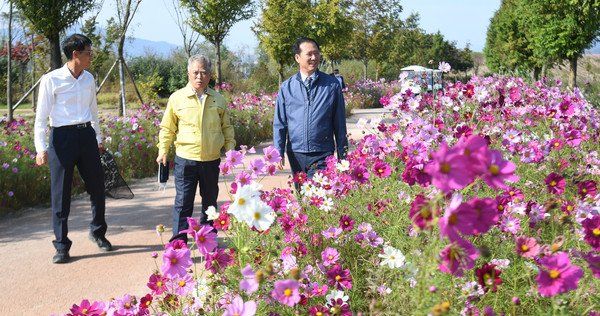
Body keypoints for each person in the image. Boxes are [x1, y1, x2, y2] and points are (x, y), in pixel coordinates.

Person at [34, 34, 112, 264]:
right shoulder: (51, 80)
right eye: (88, 53)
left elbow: (94, 111)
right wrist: (41, 148)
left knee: (97, 187)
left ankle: (98, 233)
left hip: (86, 135)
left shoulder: (89, 79)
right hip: (62, 138)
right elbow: (40, 118)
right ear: (75, 54)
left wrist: (97, 138)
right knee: (61, 194)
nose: (91, 57)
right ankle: (61, 246)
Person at [156, 54, 235, 244]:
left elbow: (227, 128)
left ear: (210, 75)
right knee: (183, 203)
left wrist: (231, 151)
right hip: (186, 160)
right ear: (188, 74)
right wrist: (163, 151)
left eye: (204, 72)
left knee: (210, 203)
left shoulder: (218, 99)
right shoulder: (177, 98)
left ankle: (208, 239)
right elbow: (167, 128)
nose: (199, 76)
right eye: (195, 72)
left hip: (211, 160)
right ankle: (179, 242)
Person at [273, 37, 348, 181]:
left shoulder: (331, 85)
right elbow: (280, 123)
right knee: (302, 198)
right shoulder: (287, 87)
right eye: (309, 54)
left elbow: (340, 123)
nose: (314, 57)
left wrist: (342, 156)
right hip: (296, 153)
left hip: (323, 151)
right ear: (297, 57)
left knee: (319, 196)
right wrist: (278, 152)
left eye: (317, 53)